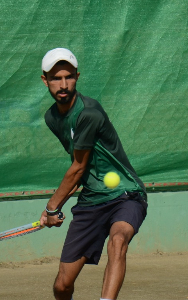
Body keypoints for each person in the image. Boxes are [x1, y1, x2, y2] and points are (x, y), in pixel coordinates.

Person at [39, 48, 148, 300]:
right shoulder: (52, 118)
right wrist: (53, 209)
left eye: (69, 77)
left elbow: (77, 168)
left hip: (126, 194)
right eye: (56, 78)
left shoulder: (89, 113)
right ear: (45, 80)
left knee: (118, 240)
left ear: (77, 76)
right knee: (61, 286)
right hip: (91, 200)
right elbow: (82, 169)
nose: (63, 84)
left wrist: (53, 206)